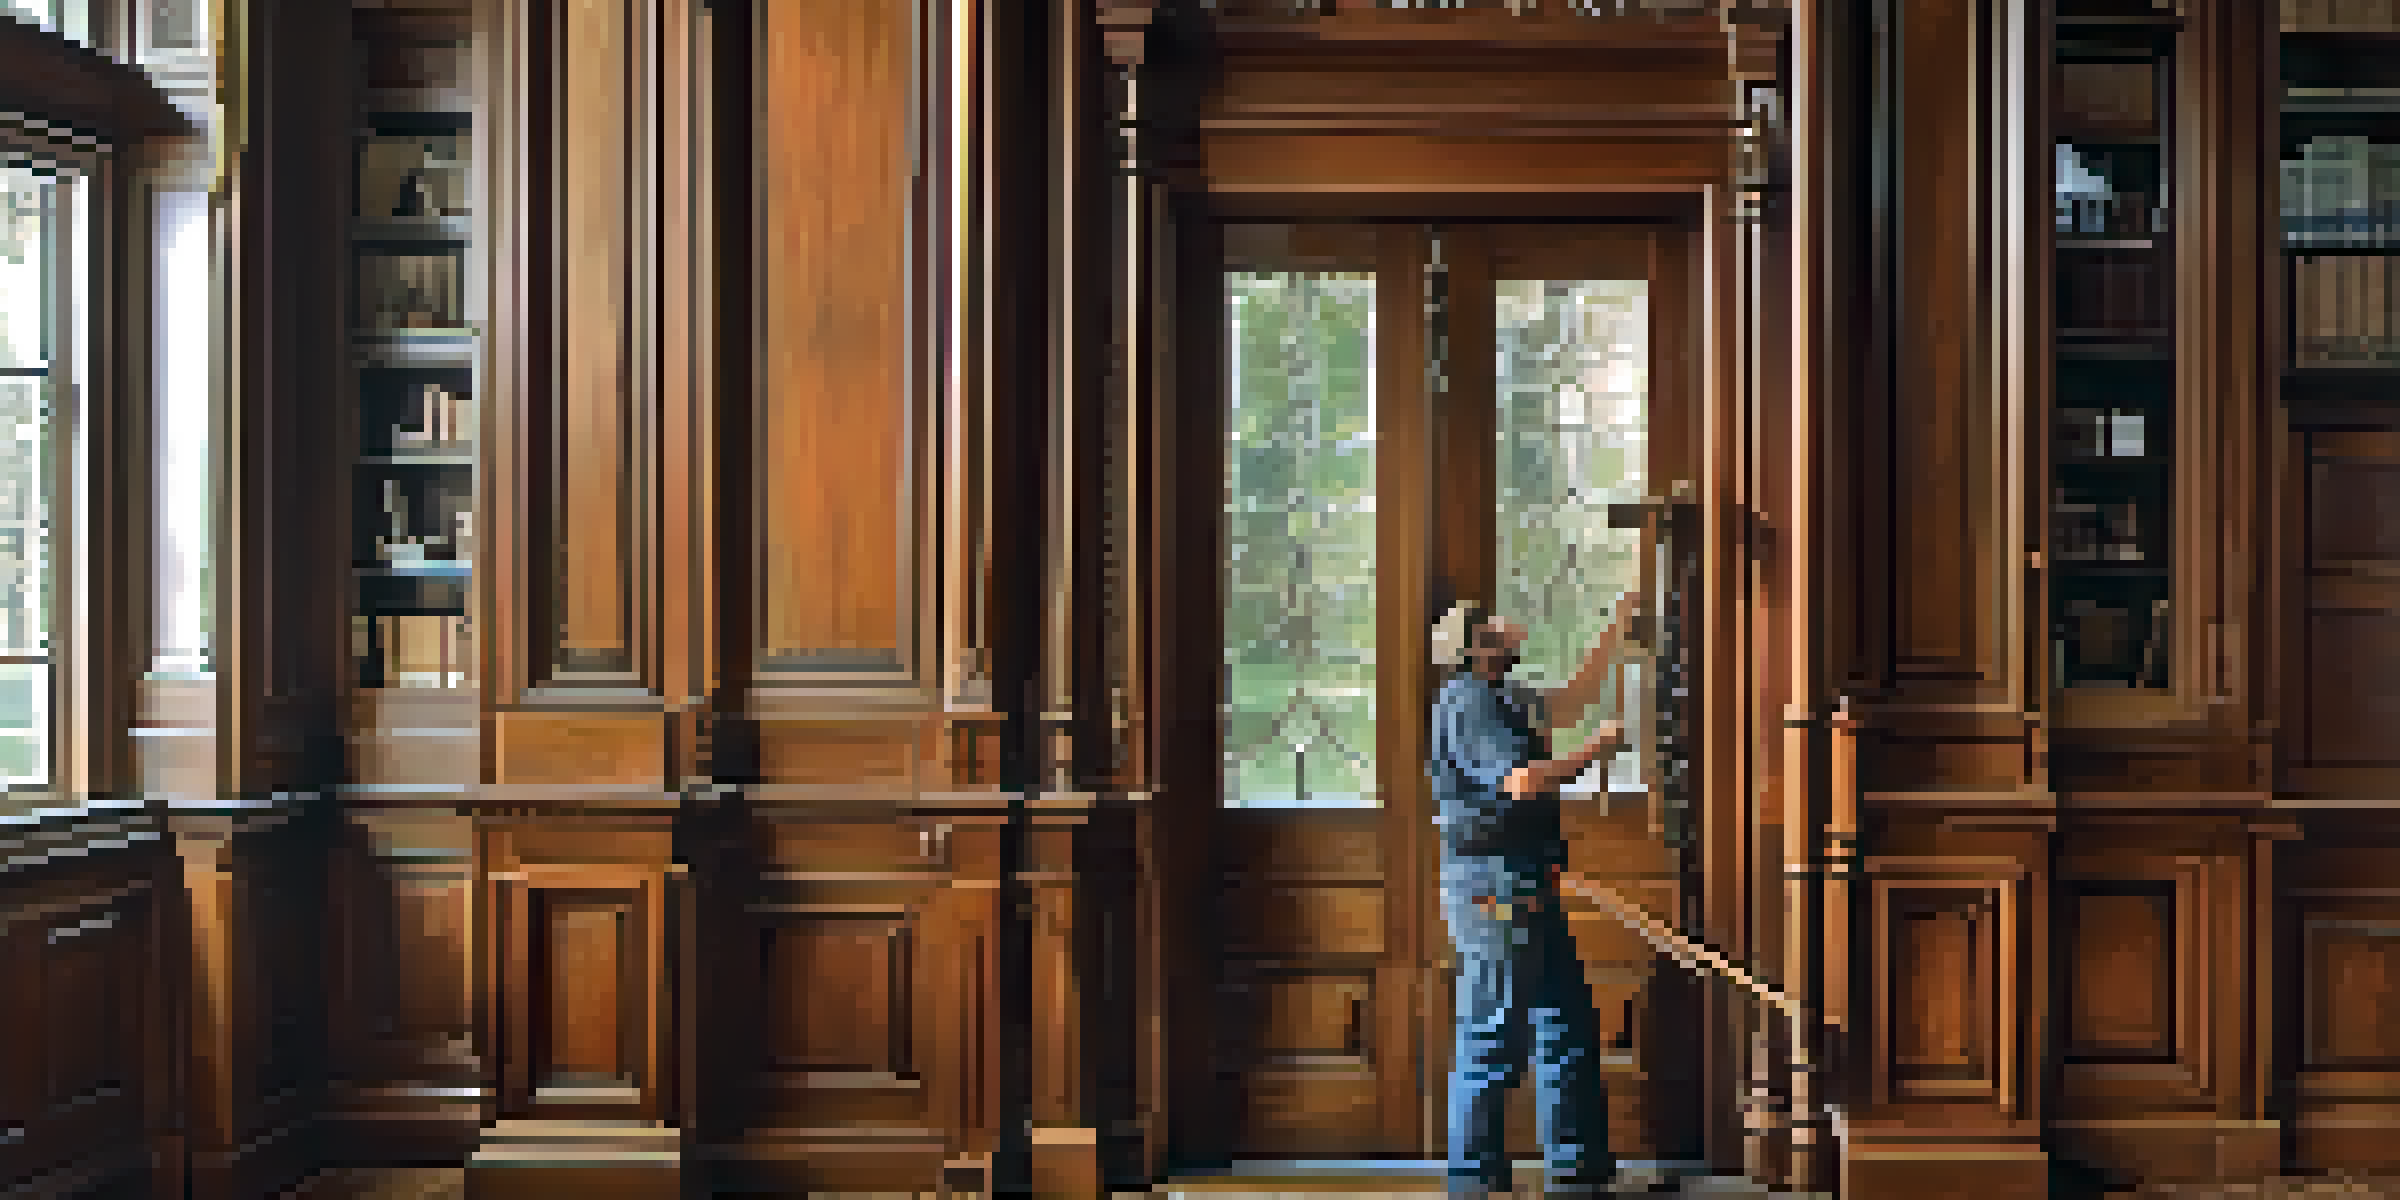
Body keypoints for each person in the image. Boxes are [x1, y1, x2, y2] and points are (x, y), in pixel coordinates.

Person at [1428, 598, 1640, 1199]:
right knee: (1493, 1031)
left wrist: (1618, 625)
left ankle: (1577, 1173)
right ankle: (1475, 1183)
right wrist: (1595, 751)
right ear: (1476, 647)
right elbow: (1520, 781)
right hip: (1493, 885)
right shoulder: (1467, 699)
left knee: (1565, 1022)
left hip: (1523, 878)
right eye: (1493, 626)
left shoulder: (1505, 696)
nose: (1508, 627)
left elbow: (1574, 698)